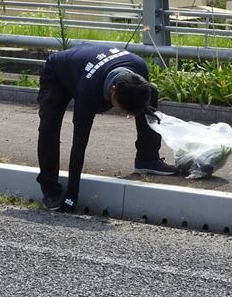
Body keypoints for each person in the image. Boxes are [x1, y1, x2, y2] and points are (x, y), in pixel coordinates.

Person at [36, 43, 177, 213]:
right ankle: (50, 189)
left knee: (152, 92)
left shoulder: (139, 67)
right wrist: (72, 194)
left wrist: (145, 109)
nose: (124, 114)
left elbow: (142, 97)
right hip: (58, 72)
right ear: (113, 90)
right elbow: (79, 144)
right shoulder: (88, 93)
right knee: (48, 126)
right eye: (122, 109)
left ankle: (148, 159)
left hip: (88, 64)